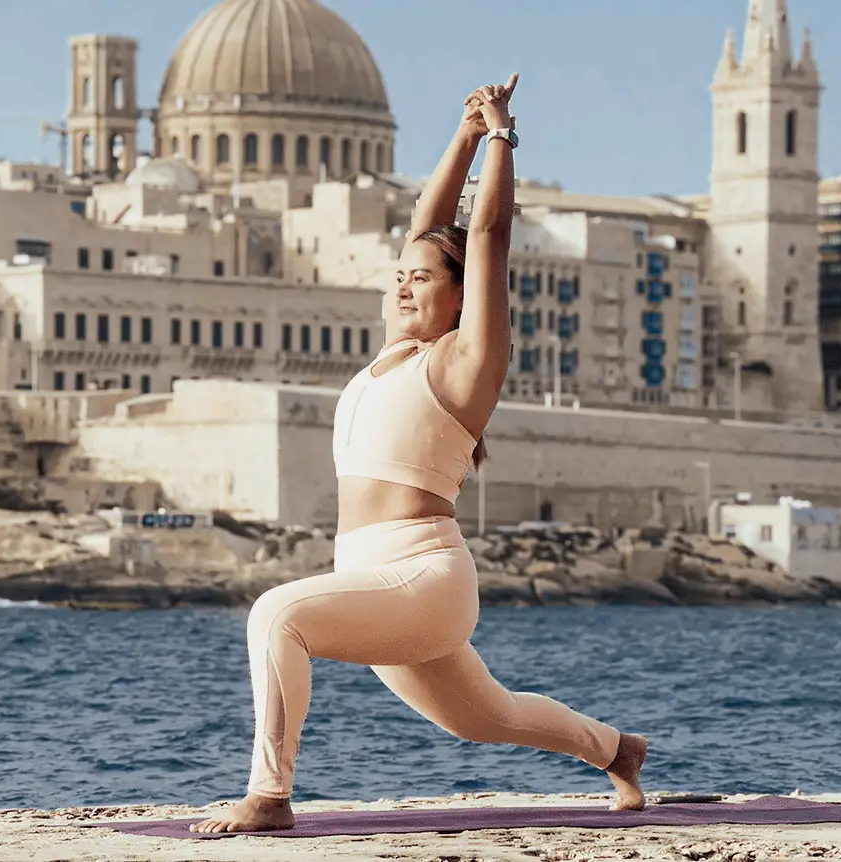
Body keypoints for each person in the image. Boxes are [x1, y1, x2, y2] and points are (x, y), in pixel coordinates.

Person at [193, 74, 648, 834]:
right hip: (371, 577)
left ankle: (268, 795)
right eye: (398, 277)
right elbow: (425, 225)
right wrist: (463, 136)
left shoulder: (466, 364)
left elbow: (488, 238)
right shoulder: (394, 353)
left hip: (424, 578)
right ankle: (616, 751)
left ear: (462, 296)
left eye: (423, 280)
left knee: (277, 615)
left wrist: (501, 138)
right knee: (483, 716)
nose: (404, 287)